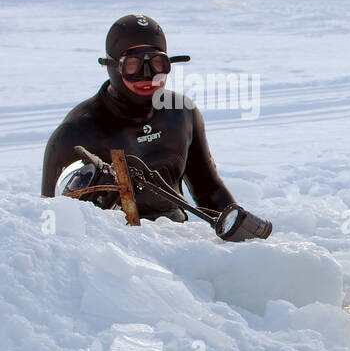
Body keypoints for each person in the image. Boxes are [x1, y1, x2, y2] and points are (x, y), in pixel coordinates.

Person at [41, 14, 268, 237]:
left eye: (157, 63)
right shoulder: (76, 133)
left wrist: (239, 229)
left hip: (177, 248)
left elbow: (210, 191)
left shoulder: (182, 113)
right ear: (112, 66)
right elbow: (52, 229)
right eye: (133, 65)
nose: (147, 76)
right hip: (115, 258)